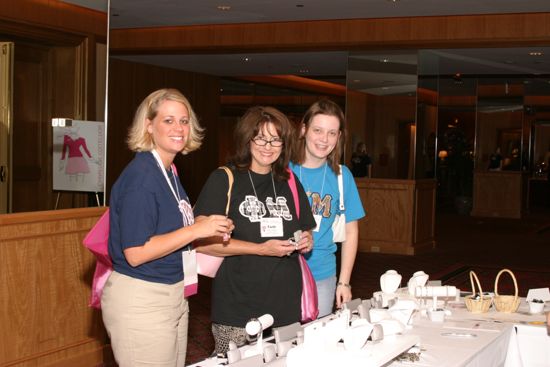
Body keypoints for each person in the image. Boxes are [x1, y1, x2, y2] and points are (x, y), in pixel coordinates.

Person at [101, 88, 233, 367]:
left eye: (184, 121)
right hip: (143, 298)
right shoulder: (142, 178)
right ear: (149, 125)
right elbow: (136, 252)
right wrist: (195, 231)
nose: (179, 128)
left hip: (171, 292)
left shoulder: (168, 171)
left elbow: (165, 228)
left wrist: (204, 226)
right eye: (168, 120)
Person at [193, 106, 316, 354]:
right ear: (247, 138)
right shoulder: (224, 179)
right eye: (260, 137)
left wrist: (306, 240)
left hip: (286, 306)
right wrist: (261, 249)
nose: (267, 146)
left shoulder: (288, 181)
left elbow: (305, 229)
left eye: (275, 140)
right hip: (239, 309)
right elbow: (203, 242)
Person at [290, 99, 366, 318]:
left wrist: (344, 282)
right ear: (304, 130)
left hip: (322, 275)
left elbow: (351, 232)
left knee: (317, 342)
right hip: (281, 274)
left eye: (332, 133)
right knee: (280, 344)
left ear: (339, 137)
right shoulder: (283, 170)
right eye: (318, 130)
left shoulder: (342, 177)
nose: (324, 139)